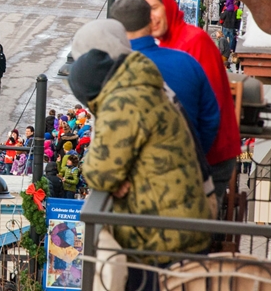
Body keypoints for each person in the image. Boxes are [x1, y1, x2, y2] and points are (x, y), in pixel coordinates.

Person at [68, 19, 212, 288]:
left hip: (164, 240)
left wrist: (110, 175)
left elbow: (100, 172)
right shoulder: (140, 85)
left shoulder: (122, 102)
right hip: (181, 222)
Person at [131, 0, 241, 207]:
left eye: (153, 8)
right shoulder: (165, 43)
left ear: (167, 6)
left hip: (209, 157)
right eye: (142, 12)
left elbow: (210, 109)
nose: (149, 17)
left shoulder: (193, 41)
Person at [110, 0, 220, 153]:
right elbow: (210, 118)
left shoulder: (112, 68)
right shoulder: (186, 61)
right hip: (184, 164)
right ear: (151, 23)